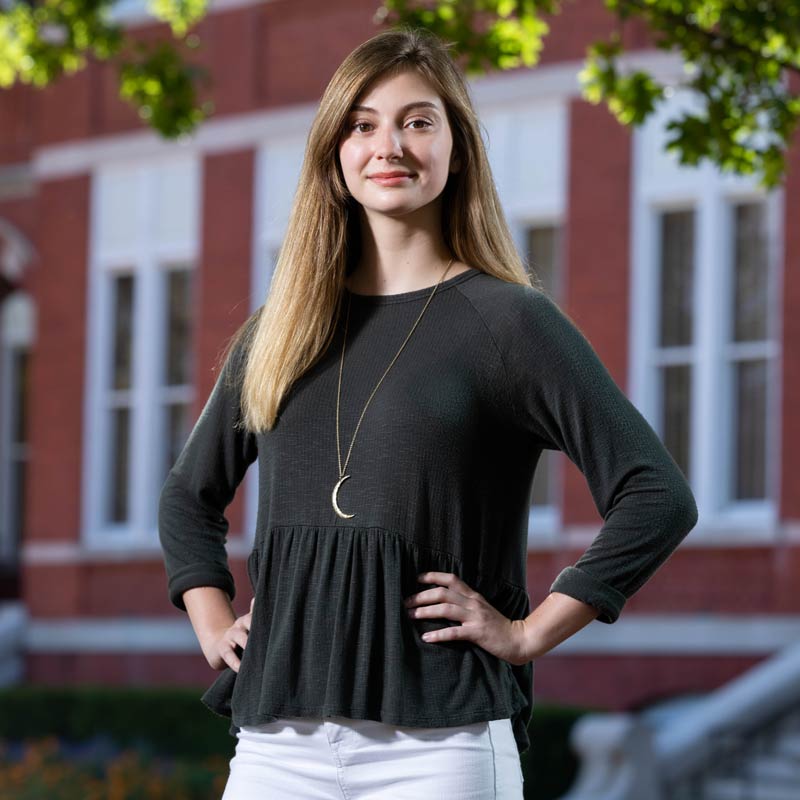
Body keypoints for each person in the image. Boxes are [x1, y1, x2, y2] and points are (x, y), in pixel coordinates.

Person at [157, 25, 698, 800]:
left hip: (438, 749)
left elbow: (657, 495)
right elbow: (188, 496)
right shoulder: (280, 331)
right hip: (278, 743)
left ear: (456, 147)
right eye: (363, 124)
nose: (390, 145)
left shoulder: (508, 322)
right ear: (335, 153)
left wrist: (529, 631)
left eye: (418, 121)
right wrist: (212, 622)